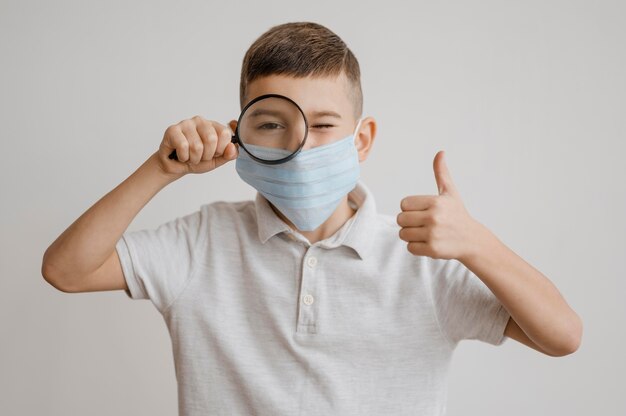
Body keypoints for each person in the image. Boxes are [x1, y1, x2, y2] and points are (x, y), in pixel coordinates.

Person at [42, 21, 582, 416]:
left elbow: (563, 336)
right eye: (271, 124)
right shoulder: (203, 241)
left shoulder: (421, 255)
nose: (299, 146)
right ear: (240, 137)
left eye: (323, 125)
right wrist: (161, 170)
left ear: (362, 139)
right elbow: (66, 270)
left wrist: (477, 245)